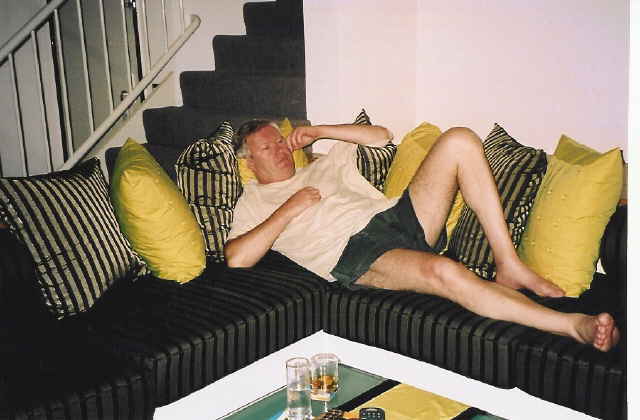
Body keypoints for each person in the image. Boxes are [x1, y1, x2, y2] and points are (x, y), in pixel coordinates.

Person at [224, 119, 620, 352]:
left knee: (460, 140)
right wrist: (289, 209)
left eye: (280, 141)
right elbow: (238, 258)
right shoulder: (254, 201)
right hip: (354, 252)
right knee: (445, 272)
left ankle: (508, 262)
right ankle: (572, 325)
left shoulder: (322, 163)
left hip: (395, 216)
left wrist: (318, 131)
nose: (280, 149)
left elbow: (380, 136)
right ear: (249, 161)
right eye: (267, 147)